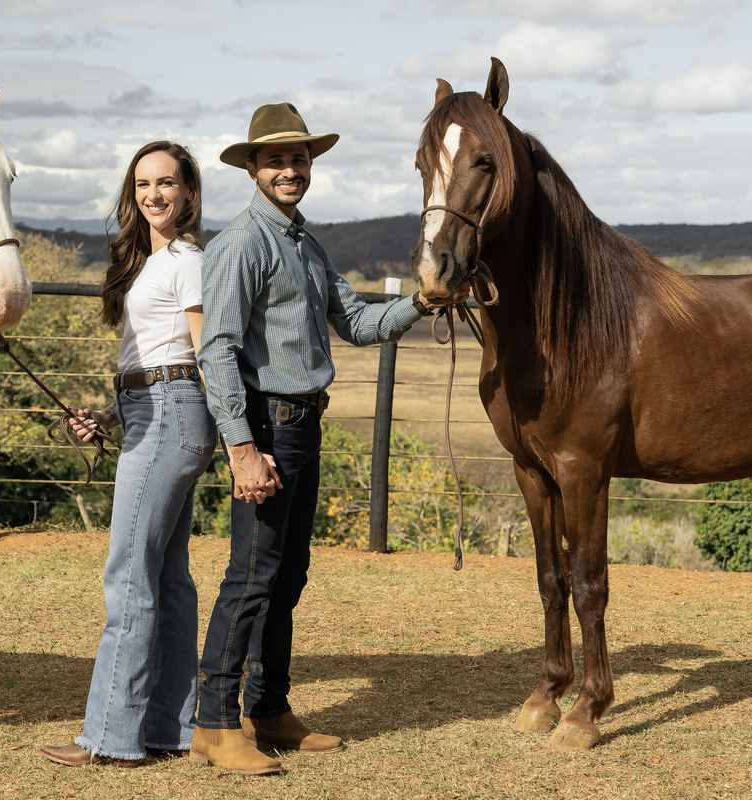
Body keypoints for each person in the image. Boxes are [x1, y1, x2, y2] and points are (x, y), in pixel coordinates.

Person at [190, 103, 455, 775]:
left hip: (303, 425)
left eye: (299, 158)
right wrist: (243, 449)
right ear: (252, 168)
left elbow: (358, 322)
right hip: (269, 426)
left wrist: (420, 305)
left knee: (288, 573)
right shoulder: (242, 244)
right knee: (250, 577)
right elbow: (216, 351)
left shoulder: (305, 244)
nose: (290, 169)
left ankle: (270, 708)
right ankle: (216, 723)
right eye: (276, 159)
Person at [39, 141, 215, 768]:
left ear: (189, 190)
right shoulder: (157, 259)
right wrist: (113, 414)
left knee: (129, 577)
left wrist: (240, 441)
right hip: (154, 410)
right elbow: (159, 357)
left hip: (171, 413)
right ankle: (172, 727)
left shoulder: (189, 260)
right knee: (166, 579)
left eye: (166, 182)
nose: (153, 195)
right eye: (143, 184)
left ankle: (110, 737)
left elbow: (202, 354)